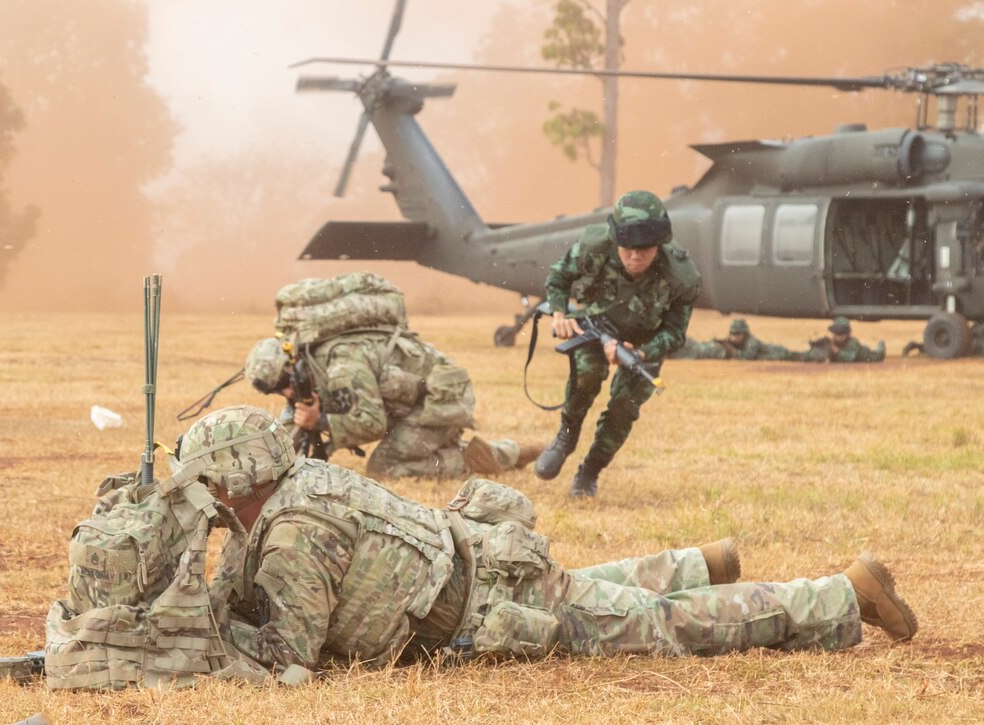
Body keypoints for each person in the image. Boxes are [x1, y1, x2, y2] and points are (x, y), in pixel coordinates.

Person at [178, 406, 917, 677]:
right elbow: (237, 584)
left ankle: (838, 593)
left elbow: (288, 659)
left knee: (661, 629)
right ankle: (698, 562)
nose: (199, 494)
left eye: (204, 481)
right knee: (599, 597)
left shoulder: (294, 535)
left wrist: (187, 650)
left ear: (236, 477)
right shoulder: (293, 486)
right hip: (485, 565)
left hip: (490, 601)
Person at [535, 190, 701, 497]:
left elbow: (676, 333)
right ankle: (565, 437)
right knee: (587, 376)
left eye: (645, 250)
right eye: (628, 250)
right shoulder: (593, 248)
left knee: (625, 407)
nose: (635, 257)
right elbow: (558, 278)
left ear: (659, 245)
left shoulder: (682, 276)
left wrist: (641, 352)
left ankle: (589, 473)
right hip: (594, 328)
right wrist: (559, 313)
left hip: (643, 345)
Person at [245, 332, 543, 481]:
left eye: (284, 382)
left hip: (441, 398)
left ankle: (475, 460)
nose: (286, 392)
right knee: (404, 450)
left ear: (293, 362)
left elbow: (372, 423)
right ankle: (513, 452)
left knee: (384, 467)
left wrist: (320, 423)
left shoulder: (343, 364)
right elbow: (290, 426)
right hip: (413, 404)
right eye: (277, 390)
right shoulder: (306, 372)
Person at [671, 318, 801, 361]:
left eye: (738, 334)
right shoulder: (738, 342)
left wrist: (728, 347)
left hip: (779, 353)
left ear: (745, 334)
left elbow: (745, 358)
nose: (735, 337)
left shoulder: (752, 343)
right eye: (732, 334)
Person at [802, 316, 886, 363]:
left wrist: (837, 351)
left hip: (869, 356)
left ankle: (880, 344)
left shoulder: (852, 343)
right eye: (836, 334)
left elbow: (850, 358)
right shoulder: (832, 342)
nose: (838, 337)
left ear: (847, 334)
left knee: (878, 354)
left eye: (841, 334)